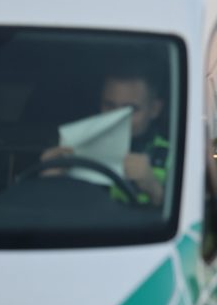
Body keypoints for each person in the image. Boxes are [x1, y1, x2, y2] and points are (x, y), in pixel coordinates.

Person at [41, 63, 170, 205]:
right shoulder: (74, 148)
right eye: (109, 105)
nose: (117, 117)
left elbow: (187, 220)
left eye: (131, 108)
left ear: (154, 109)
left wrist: (153, 188)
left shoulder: (176, 155)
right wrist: (48, 180)